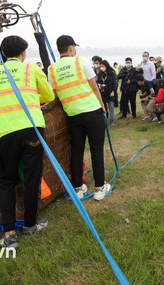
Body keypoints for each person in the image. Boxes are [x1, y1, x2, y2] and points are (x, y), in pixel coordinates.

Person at [0, 36, 55, 248]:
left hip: (6, 130)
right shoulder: (30, 70)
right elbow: (49, 95)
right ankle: (30, 225)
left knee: (6, 180)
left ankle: (8, 234)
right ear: (24, 52)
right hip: (32, 128)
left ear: (4, 54)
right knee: (31, 178)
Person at [48, 35, 111, 201]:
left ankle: (77, 188)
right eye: (74, 47)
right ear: (70, 48)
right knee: (96, 149)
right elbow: (94, 87)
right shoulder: (80, 61)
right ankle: (99, 188)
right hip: (92, 111)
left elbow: (53, 94)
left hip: (73, 115)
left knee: (76, 151)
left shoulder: (51, 69)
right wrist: (102, 106)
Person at [97, 60, 118, 125]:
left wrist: (113, 91)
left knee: (111, 106)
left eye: (103, 66)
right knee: (104, 107)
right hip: (103, 92)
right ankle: (105, 118)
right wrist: (99, 85)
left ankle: (112, 120)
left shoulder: (112, 73)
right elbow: (98, 81)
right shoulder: (100, 73)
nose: (101, 68)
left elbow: (115, 83)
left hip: (110, 92)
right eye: (101, 66)